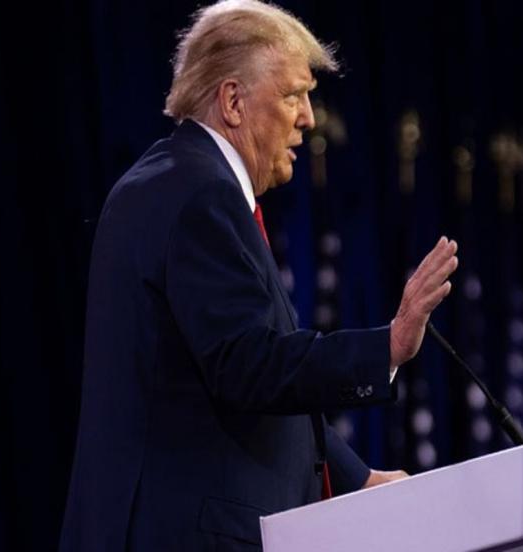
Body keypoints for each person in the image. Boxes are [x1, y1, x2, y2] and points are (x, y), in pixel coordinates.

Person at [59, 1, 458, 550]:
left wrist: (358, 478)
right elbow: (248, 365)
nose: (309, 117)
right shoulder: (199, 194)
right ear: (233, 101)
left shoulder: (177, 180)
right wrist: (385, 346)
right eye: (293, 95)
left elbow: (232, 373)